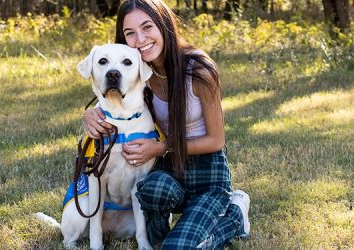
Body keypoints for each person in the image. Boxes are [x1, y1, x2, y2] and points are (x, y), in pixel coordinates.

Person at [83, 0, 250, 248]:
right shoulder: (138, 71)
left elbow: (217, 141)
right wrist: (88, 114)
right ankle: (162, 232)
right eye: (130, 33)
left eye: (147, 27)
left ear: (164, 25)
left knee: (178, 247)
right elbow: (110, 98)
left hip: (207, 174)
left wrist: (160, 148)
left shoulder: (199, 69)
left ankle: (235, 213)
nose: (140, 39)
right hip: (167, 172)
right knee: (154, 214)